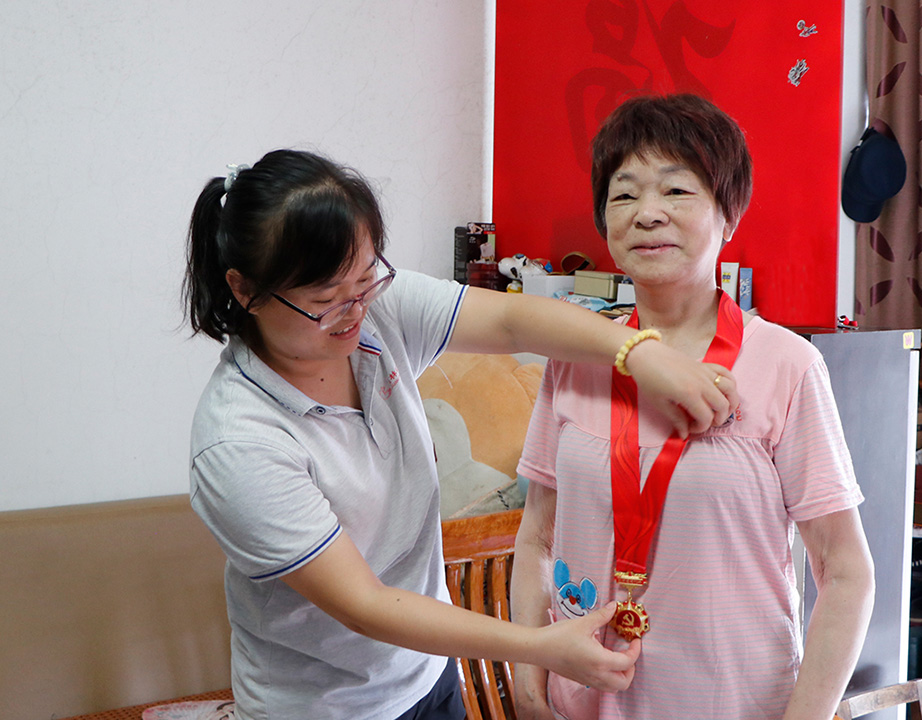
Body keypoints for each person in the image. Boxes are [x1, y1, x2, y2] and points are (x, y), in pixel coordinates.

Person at [183, 149, 738, 720]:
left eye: (367, 279)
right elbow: (366, 605)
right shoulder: (239, 443)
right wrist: (538, 649)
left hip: (428, 670)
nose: (355, 311)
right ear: (245, 291)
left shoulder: (376, 311)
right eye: (325, 302)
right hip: (324, 705)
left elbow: (509, 320)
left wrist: (637, 351)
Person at [510, 94, 875, 720]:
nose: (647, 213)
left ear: (728, 215)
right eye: (624, 195)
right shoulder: (575, 357)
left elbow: (845, 571)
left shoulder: (786, 365)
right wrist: (528, 685)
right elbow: (537, 537)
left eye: (676, 190)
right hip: (581, 706)